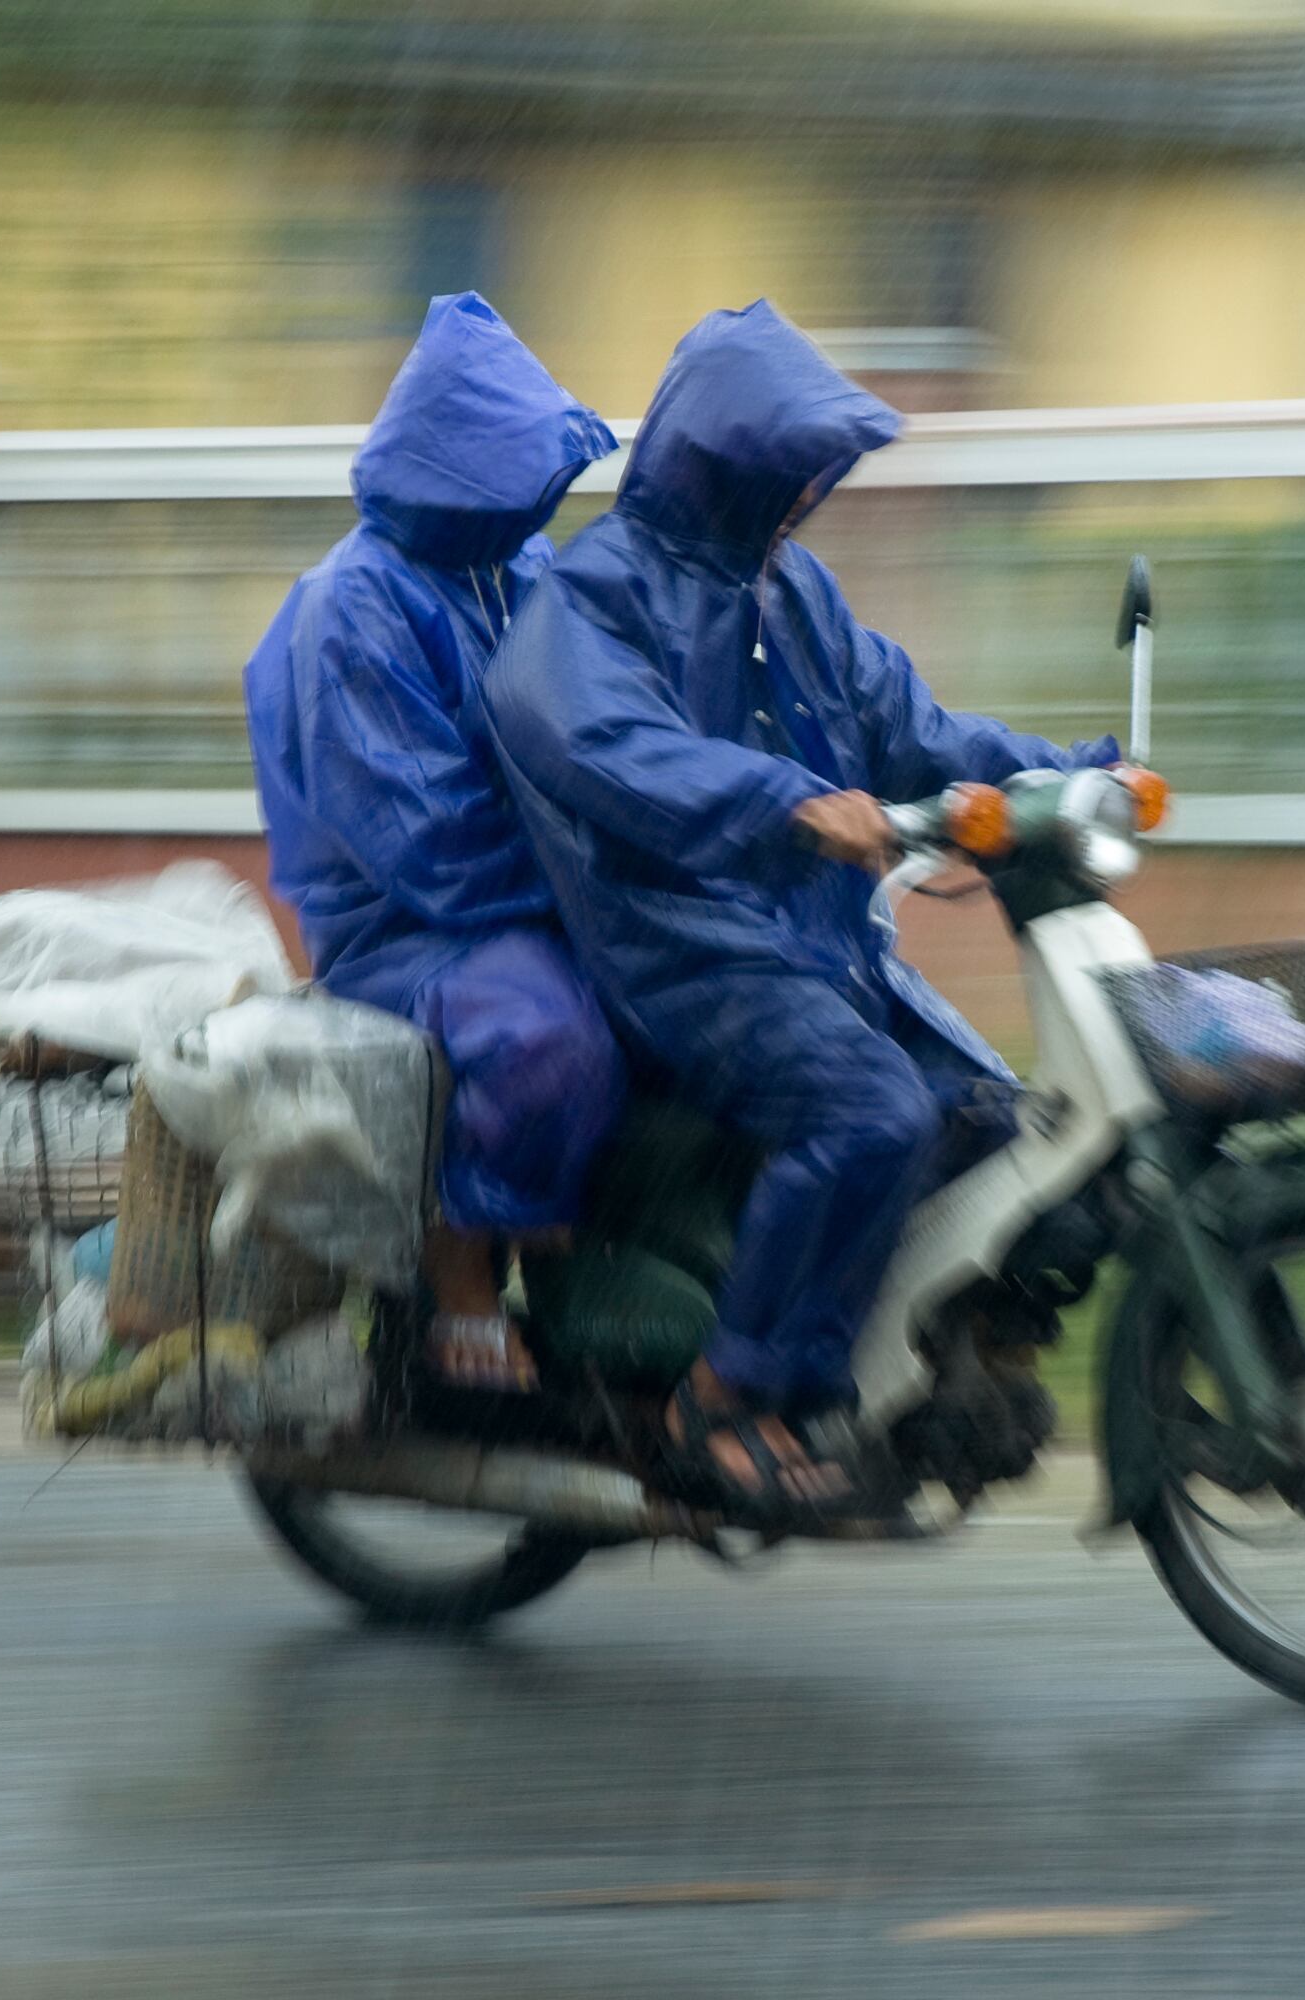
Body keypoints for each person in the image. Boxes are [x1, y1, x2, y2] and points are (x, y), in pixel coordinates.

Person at [479, 300, 1118, 1522]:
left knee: (995, 1118)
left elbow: (917, 734)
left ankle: (912, 1372)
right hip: (681, 943)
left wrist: (1069, 774)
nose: (806, 496)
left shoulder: (794, 593)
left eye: (813, 476)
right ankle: (724, 1389)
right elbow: (605, 749)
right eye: (789, 472)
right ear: (723, 466)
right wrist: (786, 801)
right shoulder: (588, 600)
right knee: (870, 1108)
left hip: (820, 943)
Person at [243, 291, 624, 1391]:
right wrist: (589, 886)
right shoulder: (351, 606)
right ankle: (462, 1278)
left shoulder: (524, 575)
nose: (534, 500)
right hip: (410, 929)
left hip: (543, 892)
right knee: (548, 1037)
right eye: (513, 475)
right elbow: (428, 839)